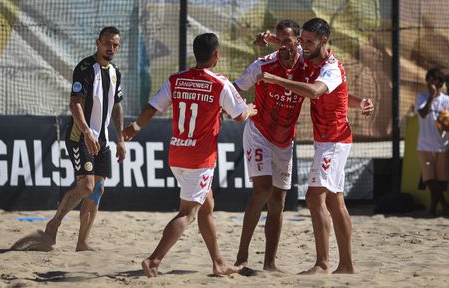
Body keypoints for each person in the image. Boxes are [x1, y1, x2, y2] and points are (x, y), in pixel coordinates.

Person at [123, 33, 257, 278]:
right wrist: (248, 109)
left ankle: (218, 263)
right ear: (216, 55)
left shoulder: (177, 79)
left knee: (207, 206)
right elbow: (239, 117)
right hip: (200, 158)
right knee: (187, 213)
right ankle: (153, 261)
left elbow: (152, 107)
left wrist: (135, 128)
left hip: (177, 153)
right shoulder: (219, 83)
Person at [261, 17, 373, 274]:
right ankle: (346, 265)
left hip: (334, 141)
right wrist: (270, 39)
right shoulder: (311, 55)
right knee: (335, 202)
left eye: (309, 41)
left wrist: (278, 81)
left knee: (313, 198)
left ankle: (323, 264)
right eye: (303, 40)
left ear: (325, 40)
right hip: (327, 140)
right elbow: (341, 93)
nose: (303, 45)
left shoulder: (330, 68)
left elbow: (315, 91)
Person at [233, 19, 310, 271]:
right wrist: (242, 109)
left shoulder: (307, 66)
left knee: (279, 201)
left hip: (285, 138)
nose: (283, 45)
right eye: (280, 39)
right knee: (263, 190)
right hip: (259, 132)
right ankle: (242, 258)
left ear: (297, 41)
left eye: (288, 39)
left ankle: (270, 263)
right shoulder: (263, 64)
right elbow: (234, 90)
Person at [44, 26, 126, 251]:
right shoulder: (85, 68)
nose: (111, 48)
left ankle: (82, 242)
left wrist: (120, 140)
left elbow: (116, 106)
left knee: (98, 189)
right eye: (107, 43)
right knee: (87, 187)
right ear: (98, 42)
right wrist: (88, 132)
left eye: (116, 45)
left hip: (104, 139)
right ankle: (54, 224)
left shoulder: (115, 72)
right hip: (81, 136)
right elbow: (75, 104)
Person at [415, 68, 449, 216]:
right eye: (429, 79)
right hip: (424, 145)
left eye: (434, 79)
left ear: (440, 82)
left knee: (440, 181)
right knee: (429, 179)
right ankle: (445, 205)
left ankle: (433, 208)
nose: (431, 82)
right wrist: (431, 98)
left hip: (442, 146)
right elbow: (421, 113)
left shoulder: (446, 100)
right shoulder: (421, 97)